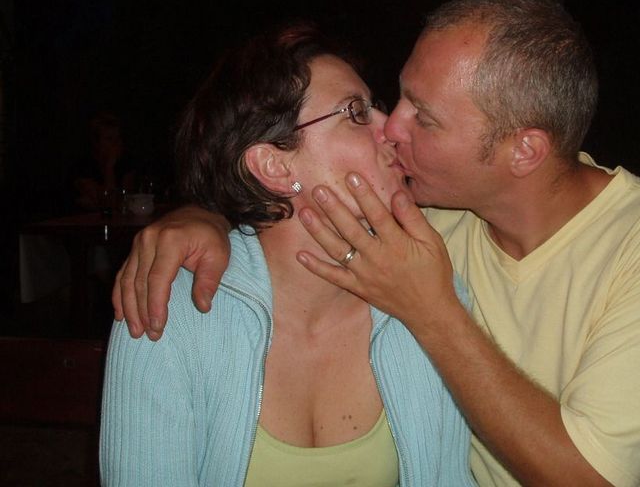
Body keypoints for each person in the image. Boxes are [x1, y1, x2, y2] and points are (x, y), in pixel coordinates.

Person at [114, 0, 640, 486]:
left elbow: (588, 478)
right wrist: (199, 216)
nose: (392, 128)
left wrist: (430, 308)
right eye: (379, 105)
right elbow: (269, 193)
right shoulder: (430, 221)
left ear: (524, 150)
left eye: (425, 117)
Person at [100, 24, 477, 486]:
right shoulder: (169, 308)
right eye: (357, 112)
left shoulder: (429, 298)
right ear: (274, 166)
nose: (393, 127)